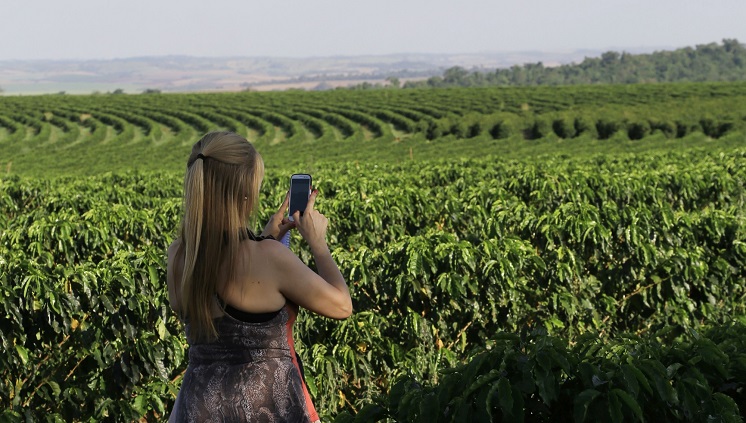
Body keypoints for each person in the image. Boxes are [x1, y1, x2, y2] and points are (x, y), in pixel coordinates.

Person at [166, 131, 353, 422]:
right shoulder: (270, 258)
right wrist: (318, 243)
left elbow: (230, 279)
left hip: (197, 408)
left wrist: (267, 236)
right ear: (246, 193)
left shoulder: (180, 255)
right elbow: (341, 306)